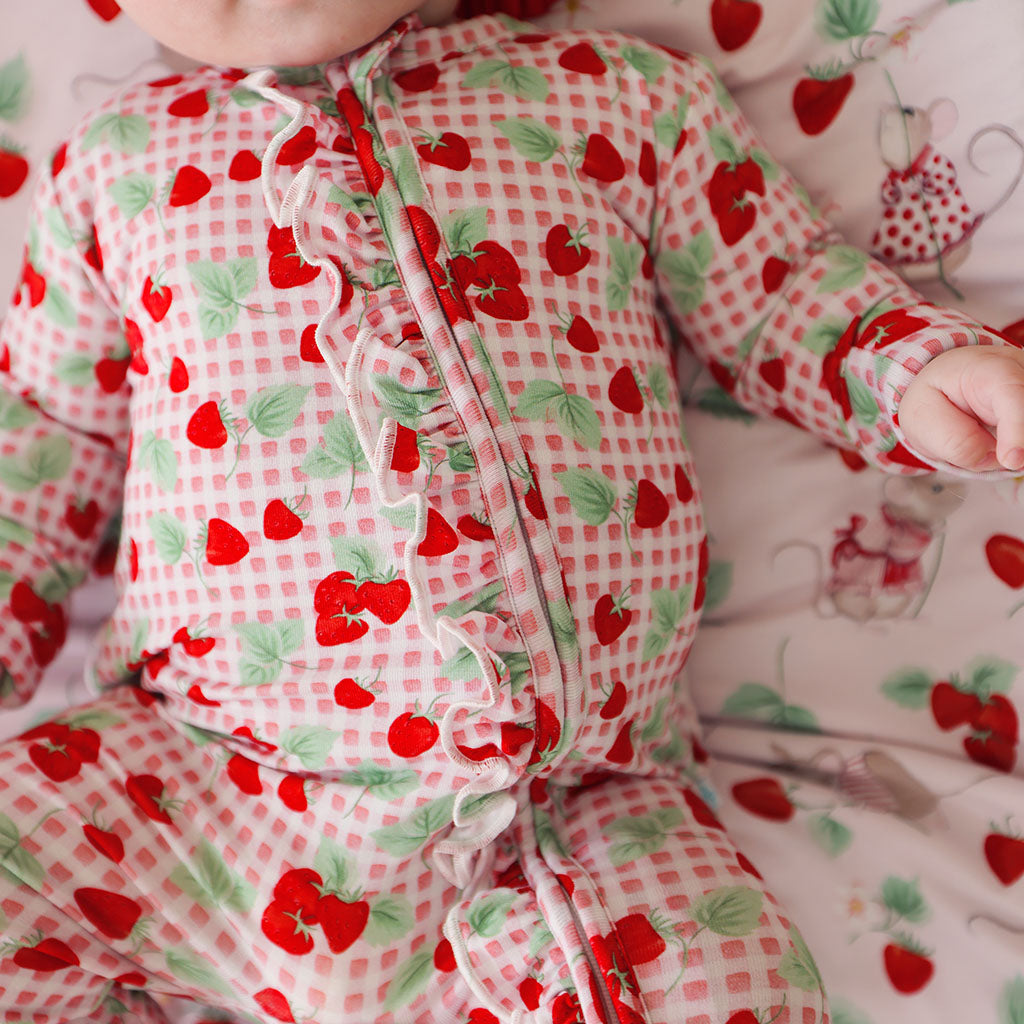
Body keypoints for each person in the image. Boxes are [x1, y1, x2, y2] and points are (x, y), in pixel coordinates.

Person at [1, 1, 1023, 1022]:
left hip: (573, 811)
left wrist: (919, 375)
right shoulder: (113, 164)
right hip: (208, 784)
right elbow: (43, 443)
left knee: (725, 981)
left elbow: (781, 296)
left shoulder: (617, 94)